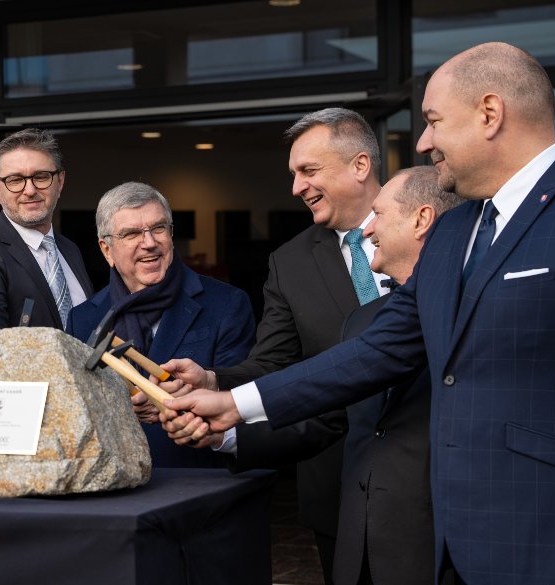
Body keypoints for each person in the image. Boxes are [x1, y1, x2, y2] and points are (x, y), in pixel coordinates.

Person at [161, 42, 555, 585]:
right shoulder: (456, 230)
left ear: (489, 114)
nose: (423, 140)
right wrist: (235, 403)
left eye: (433, 121)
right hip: (448, 543)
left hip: (551, 537)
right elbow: (375, 351)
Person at [178, 107, 392, 582]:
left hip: (436, 481)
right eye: (294, 174)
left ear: (360, 166)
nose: (296, 187)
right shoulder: (289, 262)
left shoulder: (436, 226)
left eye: (308, 171)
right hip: (339, 485)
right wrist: (214, 380)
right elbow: (273, 362)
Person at [65, 181, 255, 467]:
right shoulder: (83, 319)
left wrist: (196, 391)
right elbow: (74, 413)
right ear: (107, 250)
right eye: (131, 233)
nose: (149, 242)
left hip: (197, 482)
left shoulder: (228, 304)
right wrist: (122, 407)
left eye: (158, 228)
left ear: (171, 235)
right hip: (116, 487)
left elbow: (243, 397)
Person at [332, 166, 461, 585]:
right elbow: (331, 411)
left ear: (421, 220)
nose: (367, 230)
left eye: (379, 214)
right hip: (360, 549)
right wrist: (229, 424)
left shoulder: (472, 311)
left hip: (441, 548)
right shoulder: (361, 321)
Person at [0, 128, 93, 329]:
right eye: (15, 180)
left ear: (60, 182)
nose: (30, 190)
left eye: (41, 177)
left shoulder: (69, 249)